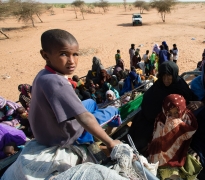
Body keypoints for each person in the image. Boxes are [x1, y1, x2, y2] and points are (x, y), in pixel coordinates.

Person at [2, 29, 123, 179]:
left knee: (91, 102)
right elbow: (84, 117)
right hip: (64, 136)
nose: (71, 61)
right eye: (63, 54)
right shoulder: (57, 83)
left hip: (45, 132)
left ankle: (94, 126)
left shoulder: (43, 75)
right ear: (45, 55)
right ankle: (99, 137)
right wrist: (110, 143)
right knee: (113, 110)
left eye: (75, 54)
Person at [128, 61, 198, 153]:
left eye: (169, 76)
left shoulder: (180, 87)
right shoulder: (159, 84)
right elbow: (148, 98)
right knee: (136, 130)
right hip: (147, 117)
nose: (166, 79)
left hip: (165, 121)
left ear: (174, 75)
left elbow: (187, 101)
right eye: (163, 76)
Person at [148, 94, 200, 179]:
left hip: (182, 151)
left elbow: (187, 138)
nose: (173, 116)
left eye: (176, 112)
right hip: (162, 152)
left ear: (182, 110)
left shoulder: (189, 119)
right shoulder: (161, 119)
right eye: (169, 112)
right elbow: (157, 139)